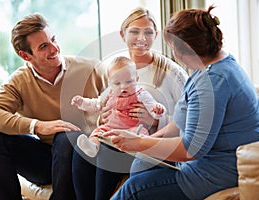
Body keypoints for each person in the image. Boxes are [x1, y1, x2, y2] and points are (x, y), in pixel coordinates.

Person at [103, 5, 259, 200]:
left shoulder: (212, 82)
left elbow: (191, 149)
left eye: (172, 47)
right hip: (205, 164)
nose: (173, 54)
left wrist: (138, 142)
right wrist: (142, 138)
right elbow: (181, 122)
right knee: (141, 164)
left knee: (133, 190)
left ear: (184, 49)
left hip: (217, 172)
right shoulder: (212, 66)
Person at [72, 7, 188, 200]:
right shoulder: (115, 70)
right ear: (122, 34)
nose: (141, 38)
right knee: (82, 150)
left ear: (156, 35)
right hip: (120, 138)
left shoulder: (172, 72)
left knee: (109, 149)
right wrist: (103, 117)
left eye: (148, 32)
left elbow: (189, 120)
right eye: (134, 31)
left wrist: (154, 121)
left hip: (151, 146)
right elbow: (104, 104)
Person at [0, 13, 107, 200]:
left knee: (66, 134)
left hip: (85, 156)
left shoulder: (91, 69)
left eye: (53, 39)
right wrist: (37, 126)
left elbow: (120, 97)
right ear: (25, 55)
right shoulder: (19, 81)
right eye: (44, 46)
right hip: (47, 160)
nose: (54, 49)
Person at [71, 56, 166, 157]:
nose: (123, 86)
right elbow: (96, 104)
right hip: (110, 128)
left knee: (142, 132)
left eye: (129, 82)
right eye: (117, 83)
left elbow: (153, 106)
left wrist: (158, 109)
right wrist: (82, 102)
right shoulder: (109, 93)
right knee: (97, 132)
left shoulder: (141, 94)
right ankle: (93, 147)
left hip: (131, 128)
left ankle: (137, 150)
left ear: (137, 79)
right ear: (111, 83)